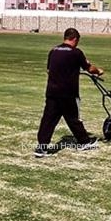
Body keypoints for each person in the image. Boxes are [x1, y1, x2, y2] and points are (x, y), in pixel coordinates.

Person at [35, 28, 104, 157]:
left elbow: (49, 71)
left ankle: (41, 148)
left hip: (52, 92)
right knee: (74, 119)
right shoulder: (76, 53)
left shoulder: (53, 51)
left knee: (48, 120)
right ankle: (84, 142)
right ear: (75, 39)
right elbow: (89, 68)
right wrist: (98, 71)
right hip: (68, 93)